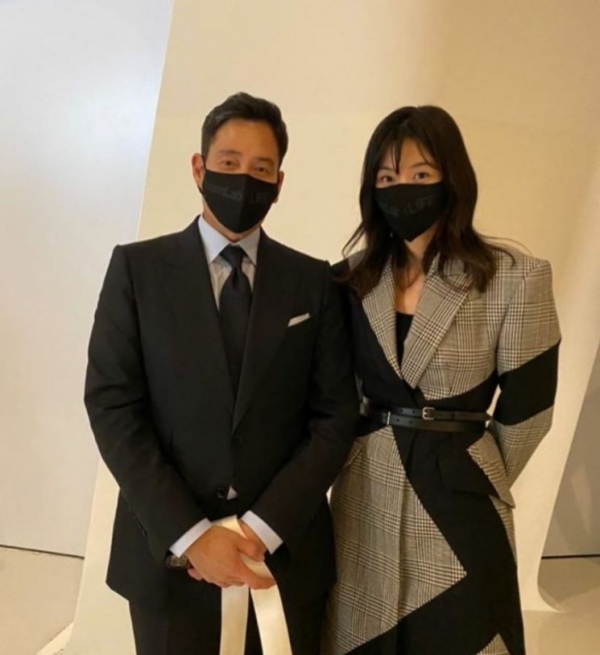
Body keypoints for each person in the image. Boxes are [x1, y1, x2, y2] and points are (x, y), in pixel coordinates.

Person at [84, 92, 358, 655]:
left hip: (282, 556)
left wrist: (261, 528)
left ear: (279, 183)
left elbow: (334, 416)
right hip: (167, 561)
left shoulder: (314, 283)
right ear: (199, 167)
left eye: (261, 169)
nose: (244, 180)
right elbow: (113, 407)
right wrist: (191, 536)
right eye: (229, 163)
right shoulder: (137, 270)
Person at [322, 105, 560, 655]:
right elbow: (335, 394)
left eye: (421, 174)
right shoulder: (349, 280)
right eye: (387, 179)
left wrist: (470, 468)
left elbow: (529, 411)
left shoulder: (514, 277)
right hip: (365, 494)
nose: (402, 190)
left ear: (453, 178)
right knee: (362, 634)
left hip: (462, 501)